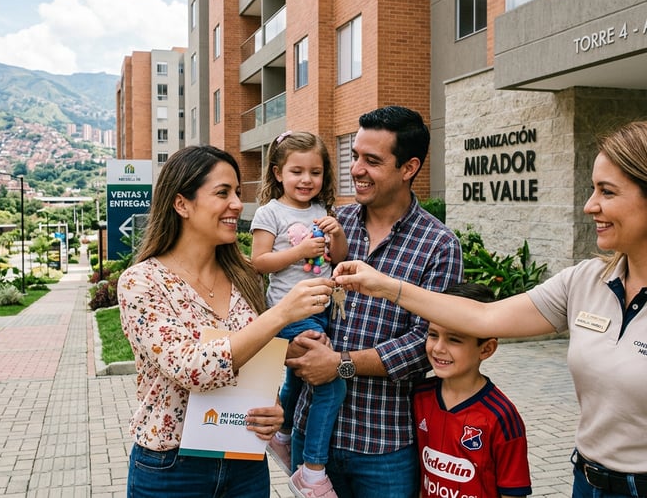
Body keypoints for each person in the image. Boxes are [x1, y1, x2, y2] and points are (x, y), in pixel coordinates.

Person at [332, 120, 647, 498]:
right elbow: (482, 317)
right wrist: (385, 286)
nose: (589, 205)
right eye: (592, 189)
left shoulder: (438, 242)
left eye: (607, 192)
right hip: (588, 481)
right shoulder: (586, 280)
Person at [117, 145, 334, 498]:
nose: (236, 203)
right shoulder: (141, 282)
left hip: (244, 460)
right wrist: (282, 313)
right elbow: (194, 369)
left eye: (237, 193)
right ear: (181, 203)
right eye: (223, 193)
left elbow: (251, 354)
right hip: (171, 469)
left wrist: (274, 407)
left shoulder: (244, 274)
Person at [286, 105, 464, 498]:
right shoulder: (332, 225)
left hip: (382, 445)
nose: (356, 169)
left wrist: (340, 365)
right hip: (311, 432)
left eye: (372, 160)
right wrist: (295, 343)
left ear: (408, 167)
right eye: (354, 156)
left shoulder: (439, 245)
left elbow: (428, 344)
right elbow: (295, 293)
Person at [250, 131, 348, 496]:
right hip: (290, 312)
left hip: (322, 310)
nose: (306, 180)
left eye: (315, 172)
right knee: (332, 387)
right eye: (296, 171)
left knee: (295, 380)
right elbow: (259, 262)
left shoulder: (322, 212)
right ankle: (312, 470)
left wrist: (335, 234)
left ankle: (283, 433)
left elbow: (336, 258)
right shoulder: (269, 212)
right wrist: (300, 249)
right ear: (278, 173)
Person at [414, 282, 531, 498]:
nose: (438, 348)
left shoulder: (502, 416)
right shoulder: (419, 397)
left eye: (454, 339)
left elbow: (513, 492)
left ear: (486, 349)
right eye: (432, 335)